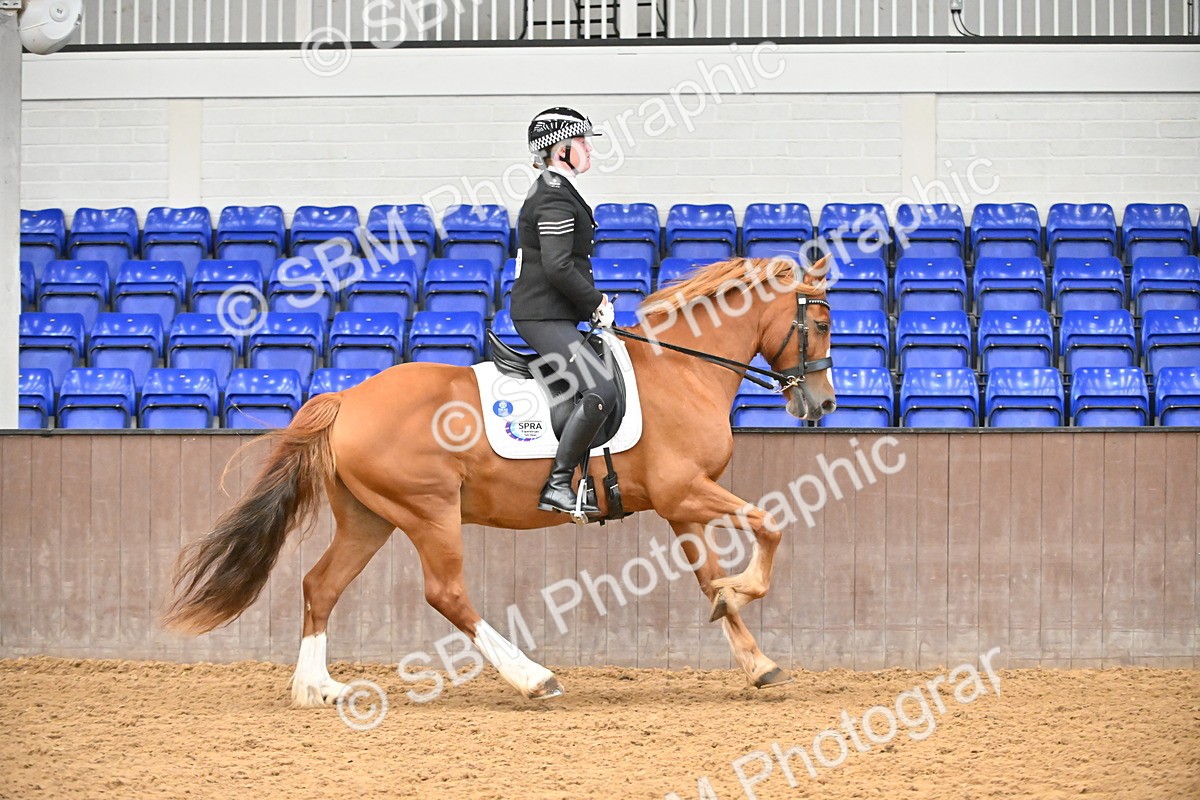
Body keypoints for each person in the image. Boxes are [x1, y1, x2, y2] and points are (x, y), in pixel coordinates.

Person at [510, 107, 619, 518]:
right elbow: (557, 266)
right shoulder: (554, 195)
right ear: (562, 149)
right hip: (542, 316)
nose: (589, 149)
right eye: (583, 142)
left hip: (556, 312)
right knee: (602, 390)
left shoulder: (558, 188)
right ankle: (557, 485)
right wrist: (595, 303)